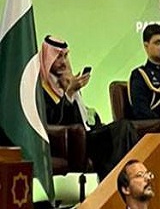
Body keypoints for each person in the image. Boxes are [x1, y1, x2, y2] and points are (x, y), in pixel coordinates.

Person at [39, 35, 138, 180]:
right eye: (58, 57)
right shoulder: (41, 88)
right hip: (69, 142)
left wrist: (74, 92)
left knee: (126, 129)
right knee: (122, 128)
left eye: (65, 56)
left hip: (85, 136)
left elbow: (81, 118)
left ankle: (130, 178)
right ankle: (115, 183)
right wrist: (69, 93)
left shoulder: (67, 81)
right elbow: (54, 121)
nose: (63, 62)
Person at [129, 24, 160, 120]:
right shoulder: (140, 75)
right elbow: (141, 111)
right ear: (146, 46)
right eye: (157, 43)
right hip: (154, 125)